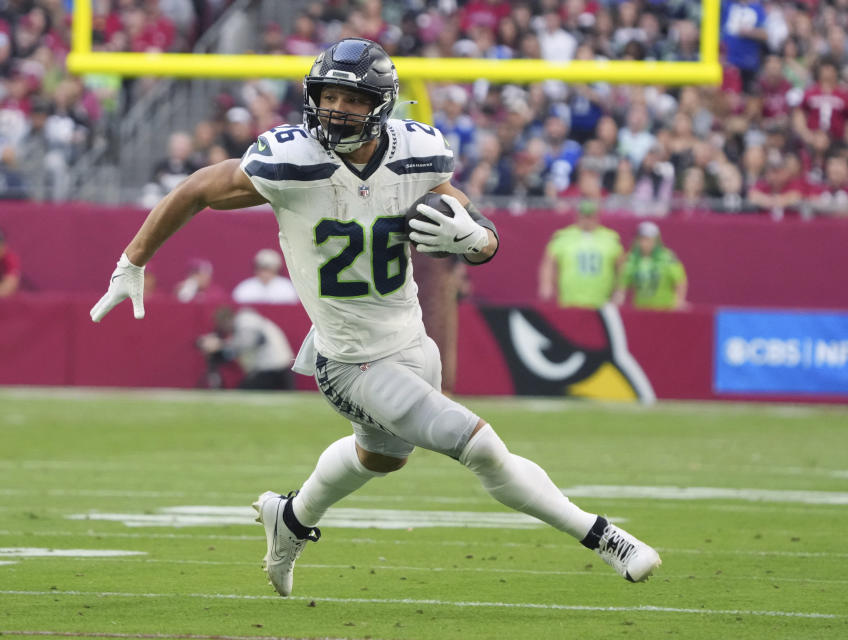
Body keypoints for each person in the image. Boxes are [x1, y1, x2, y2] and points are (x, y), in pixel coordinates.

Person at [89, 38, 660, 597]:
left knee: (379, 458)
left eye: (353, 99)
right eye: (328, 96)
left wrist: (476, 238)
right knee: (480, 447)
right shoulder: (292, 160)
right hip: (349, 360)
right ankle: (605, 537)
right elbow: (197, 188)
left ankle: (290, 518)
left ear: (380, 105)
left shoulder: (416, 153)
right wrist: (132, 260)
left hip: (411, 341)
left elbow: (476, 228)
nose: (336, 110)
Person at [538, 200, 624, 308]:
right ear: (578, 216)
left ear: (596, 217)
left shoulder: (610, 238)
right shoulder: (564, 236)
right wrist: (546, 284)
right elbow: (549, 262)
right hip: (570, 299)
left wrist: (620, 290)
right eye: (584, 216)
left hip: (601, 300)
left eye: (590, 216)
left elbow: (621, 267)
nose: (587, 220)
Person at [197, 306, 295, 390]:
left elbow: (247, 342)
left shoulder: (245, 320)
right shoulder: (245, 323)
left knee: (243, 396)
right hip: (274, 367)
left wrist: (220, 345)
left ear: (226, 321)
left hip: (275, 368)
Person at [613, 221, 688, 310]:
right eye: (641, 239)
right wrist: (616, 302)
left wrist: (679, 301)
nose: (644, 243)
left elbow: (680, 281)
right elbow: (622, 286)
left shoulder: (666, 257)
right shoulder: (632, 259)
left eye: (647, 239)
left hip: (664, 309)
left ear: (656, 241)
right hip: (641, 309)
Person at [231, 248, 298, 304]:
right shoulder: (245, 288)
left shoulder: (287, 288)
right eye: (262, 269)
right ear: (256, 270)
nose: (265, 274)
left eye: (269, 270)